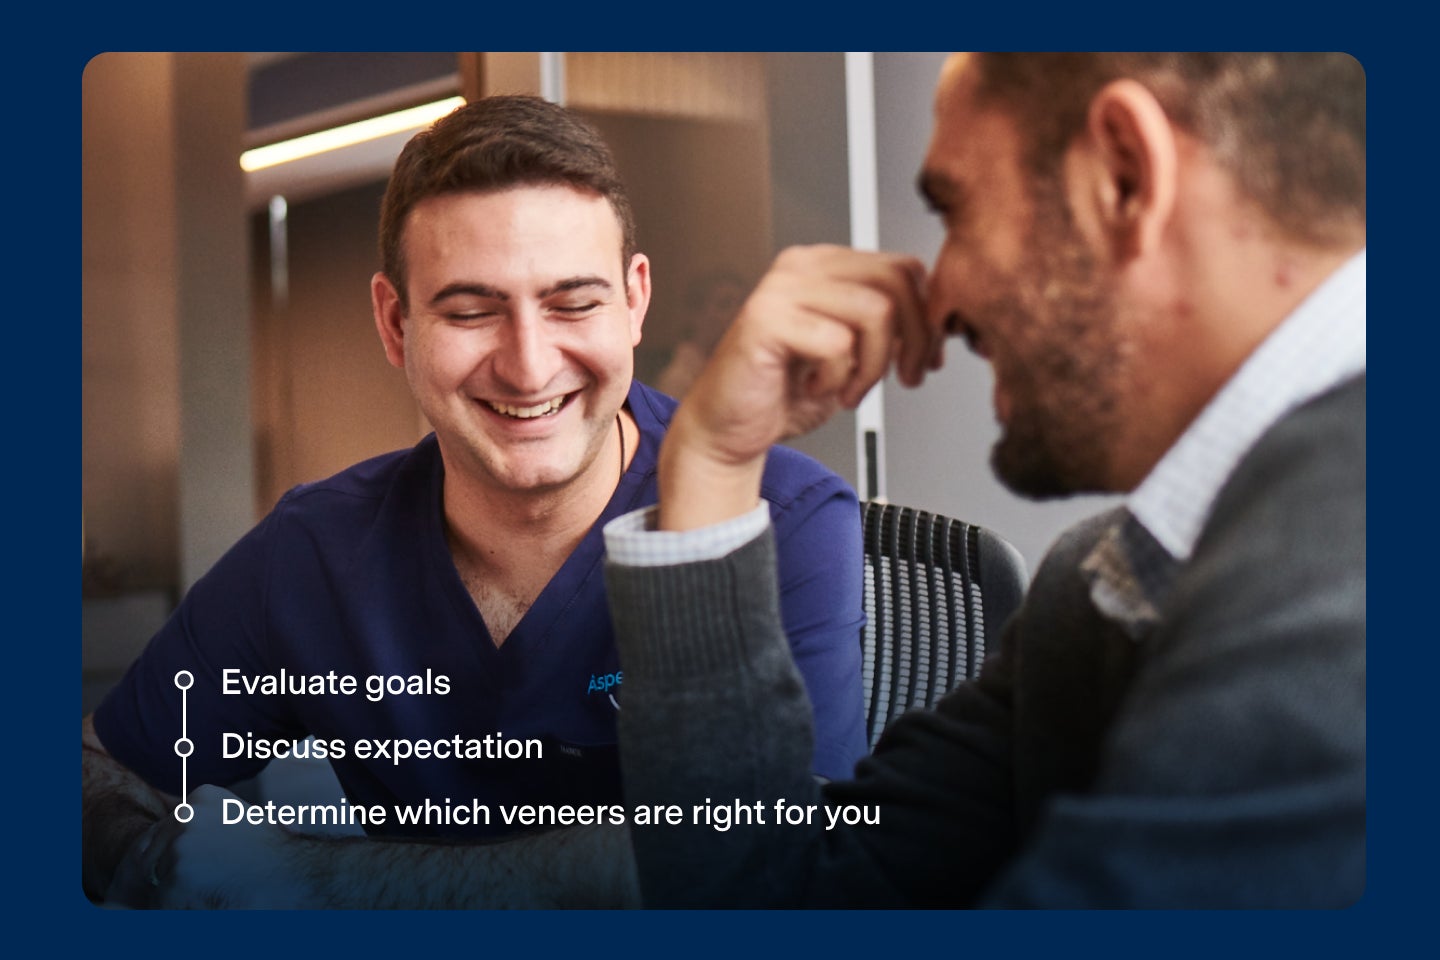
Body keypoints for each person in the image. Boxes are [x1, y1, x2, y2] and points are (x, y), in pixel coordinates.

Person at [602, 52, 1365, 907]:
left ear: (1123, 174)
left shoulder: (1346, 609)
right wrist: (710, 463)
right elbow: (779, 900)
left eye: (955, 212)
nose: (940, 295)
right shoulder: (1100, 585)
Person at [82, 94, 868, 907]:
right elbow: (99, 769)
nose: (529, 367)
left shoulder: (782, 519)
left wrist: (313, 877)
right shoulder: (316, 548)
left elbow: (779, 872)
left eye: (574, 303)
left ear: (634, 301)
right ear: (395, 324)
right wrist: (161, 867)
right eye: (470, 310)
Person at [653, 269, 749, 399]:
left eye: (741, 303)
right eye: (725, 304)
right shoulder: (678, 378)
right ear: (697, 314)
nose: (737, 313)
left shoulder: (733, 365)